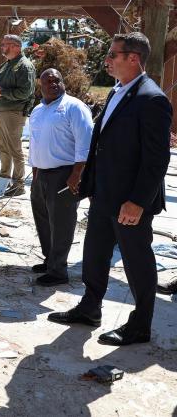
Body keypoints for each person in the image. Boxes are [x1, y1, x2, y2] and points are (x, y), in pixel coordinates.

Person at [48, 32, 172, 346]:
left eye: (114, 55)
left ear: (134, 58)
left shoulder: (152, 98)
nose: (107, 60)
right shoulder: (119, 91)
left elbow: (156, 159)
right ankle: (90, 307)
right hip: (104, 194)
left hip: (129, 200)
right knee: (95, 253)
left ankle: (140, 325)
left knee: (137, 261)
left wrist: (137, 201)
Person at [28, 68, 93, 286]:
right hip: (41, 174)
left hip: (64, 174)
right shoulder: (37, 110)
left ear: (63, 83)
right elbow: (35, 141)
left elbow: (85, 142)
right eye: (48, 81)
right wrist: (35, 169)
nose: (53, 84)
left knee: (61, 223)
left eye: (57, 80)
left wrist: (77, 174)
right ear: (41, 85)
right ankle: (50, 261)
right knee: (43, 219)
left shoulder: (74, 107)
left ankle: (59, 271)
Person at [0, 34, 36, 196]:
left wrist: (2, 92)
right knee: (2, 146)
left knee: (14, 149)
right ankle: (4, 177)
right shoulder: (9, 64)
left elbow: (25, 92)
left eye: (6, 45)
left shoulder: (24, 66)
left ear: (17, 46)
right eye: (2, 45)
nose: (3, 47)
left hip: (13, 113)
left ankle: (18, 184)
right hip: (2, 111)